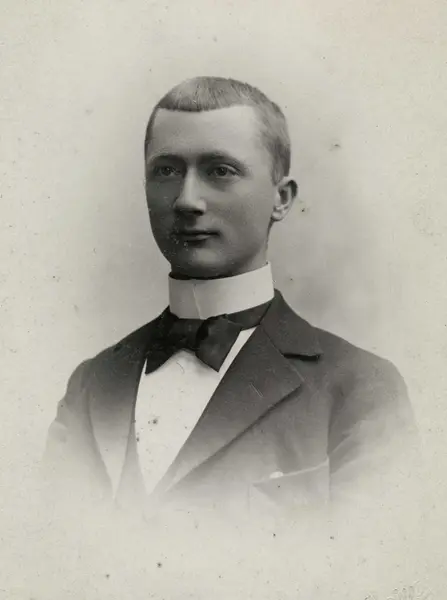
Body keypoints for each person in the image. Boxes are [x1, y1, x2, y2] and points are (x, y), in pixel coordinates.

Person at [43, 76, 417, 521]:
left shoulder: (360, 389)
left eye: (220, 171)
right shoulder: (92, 385)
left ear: (281, 199)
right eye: (166, 171)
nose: (187, 200)